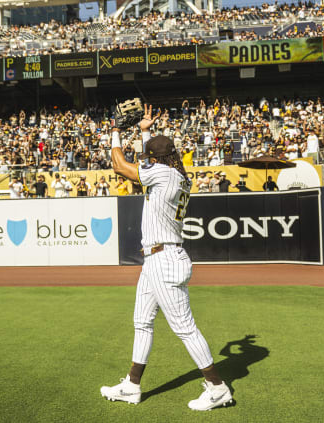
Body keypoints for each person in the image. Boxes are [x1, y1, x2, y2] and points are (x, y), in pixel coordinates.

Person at [101, 104, 232, 411]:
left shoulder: (162, 173)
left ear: (157, 160)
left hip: (164, 258)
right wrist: (146, 130)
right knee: (142, 322)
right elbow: (149, 161)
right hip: (159, 259)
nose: (147, 160)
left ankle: (217, 387)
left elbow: (121, 166)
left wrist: (116, 131)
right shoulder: (175, 173)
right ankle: (132, 386)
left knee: (185, 328)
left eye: (150, 156)